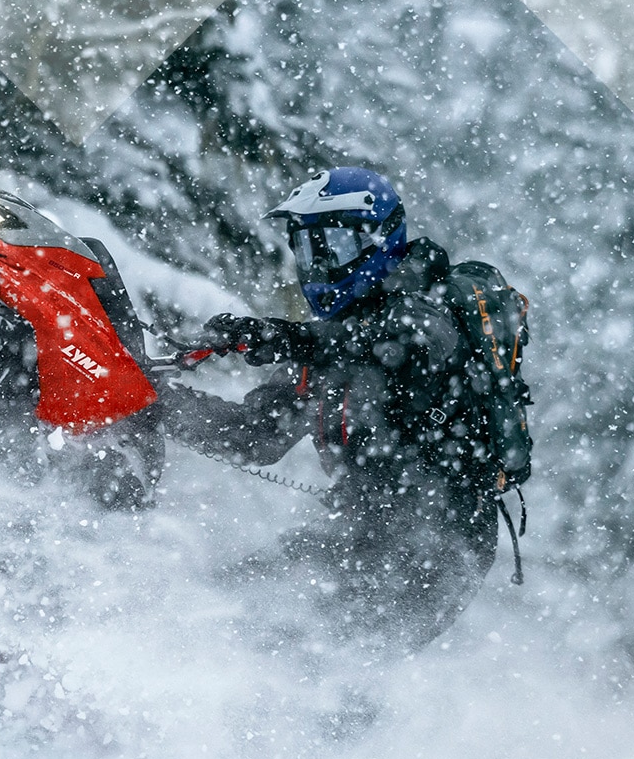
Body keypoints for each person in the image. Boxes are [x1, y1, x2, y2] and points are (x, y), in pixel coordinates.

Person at [157, 167, 530, 653]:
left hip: (436, 548)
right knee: (217, 603)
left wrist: (277, 335)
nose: (320, 265)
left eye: (334, 244)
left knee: (305, 657)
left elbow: (389, 339)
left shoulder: (422, 308)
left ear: (377, 239)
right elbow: (252, 434)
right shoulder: (329, 353)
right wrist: (150, 399)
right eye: (308, 249)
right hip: (359, 535)